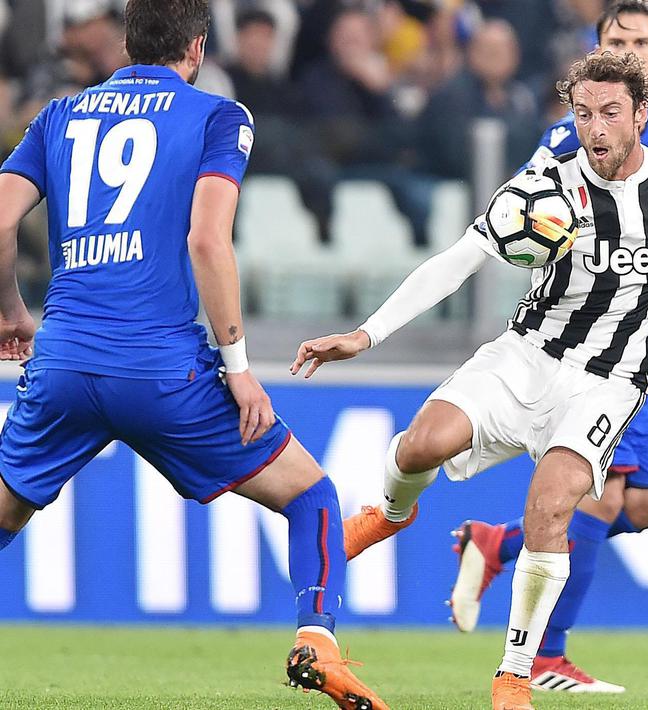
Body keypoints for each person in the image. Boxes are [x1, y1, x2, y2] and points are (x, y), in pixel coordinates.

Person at [289, 50, 648, 710]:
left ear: (642, 115)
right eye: (583, 114)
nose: (596, 129)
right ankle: (388, 514)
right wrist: (366, 335)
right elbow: (458, 260)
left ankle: (513, 676)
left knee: (551, 507)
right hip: (526, 355)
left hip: (607, 382)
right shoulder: (544, 190)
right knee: (419, 446)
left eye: (611, 113)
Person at [0, 2, 387, 708]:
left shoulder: (59, 116)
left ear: (126, 42)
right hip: (162, 373)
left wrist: (11, 310)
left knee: (4, 515)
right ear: (199, 46)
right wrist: (239, 372)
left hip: (61, 364)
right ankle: (315, 641)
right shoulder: (218, 116)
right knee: (312, 495)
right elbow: (207, 241)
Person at [447, 1, 648, 694]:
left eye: (641, 41)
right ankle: (545, 655)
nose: (631, 50)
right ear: (597, 49)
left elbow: (646, 234)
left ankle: (497, 544)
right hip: (584, 349)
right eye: (617, 40)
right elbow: (525, 215)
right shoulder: (566, 135)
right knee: (604, 492)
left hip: (634, 336)